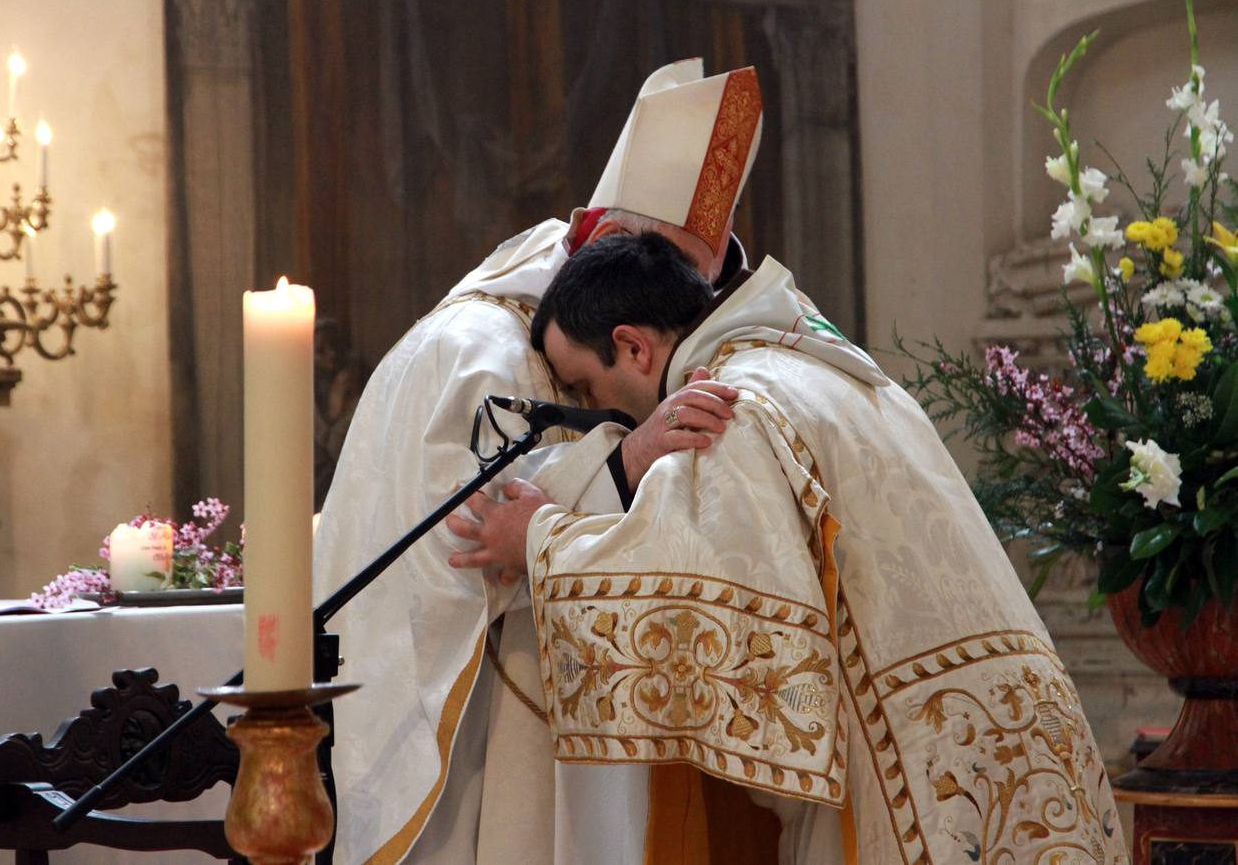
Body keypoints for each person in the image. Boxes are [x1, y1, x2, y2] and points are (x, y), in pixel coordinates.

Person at [451, 232, 1129, 864]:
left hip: (919, 766)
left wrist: (537, 541)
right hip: (1025, 730)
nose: (602, 414)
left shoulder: (730, 405)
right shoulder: (823, 369)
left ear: (633, 348)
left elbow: (704, 602)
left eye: (588, 389)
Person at [313, 60, 762, 863]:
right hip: (481, 721)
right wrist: (625, 465)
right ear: (612, 248)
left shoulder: (553, 325)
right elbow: (468, 528)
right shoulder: (481, 346)